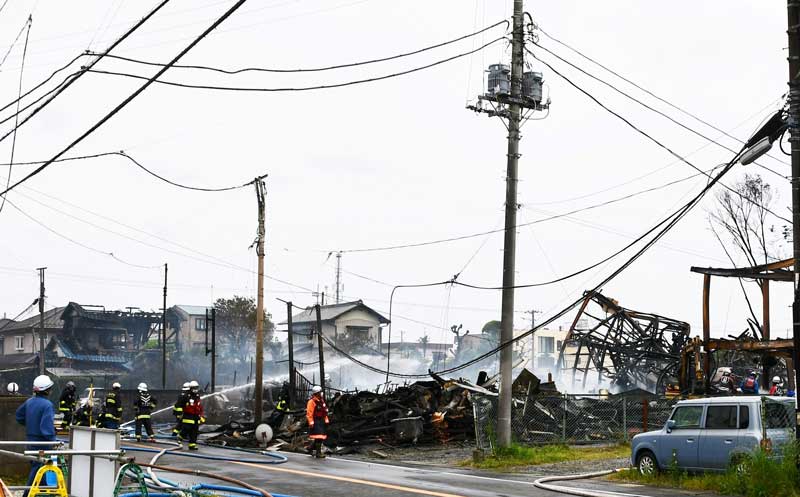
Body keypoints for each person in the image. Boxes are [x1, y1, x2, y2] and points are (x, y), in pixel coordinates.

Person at [15, 375, 57, 495]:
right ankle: (27, 494)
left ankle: (44, 493)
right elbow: (47, 429)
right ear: (47, 390)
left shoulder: (29, 402)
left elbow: (19, 416)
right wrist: (54, 440)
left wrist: (30, 423)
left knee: (40, 470)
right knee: (38, 470)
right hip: (43, 443)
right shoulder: (47, 405)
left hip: (30, 441)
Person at [305, 385, 329, 459]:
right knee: (319, 437)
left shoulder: (321, 401)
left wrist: (326, 420)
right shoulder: (311, 402)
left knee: (319, 437)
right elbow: (309, 413)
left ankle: (310, 448)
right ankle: (318, 453)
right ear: (316, 393)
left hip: (321, 421)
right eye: (320, 392)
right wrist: (311, 422)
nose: (321, 393)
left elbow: (324, 412)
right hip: (316, 421)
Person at [180, 381, 204, 451]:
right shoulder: (186, 396)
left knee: (195, 431)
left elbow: (199, 406)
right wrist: (179, 414)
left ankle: (192, 444)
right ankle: (180, 436)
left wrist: (201, 415)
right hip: (188, 415)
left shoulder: (197, 396)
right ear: (190, 388)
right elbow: (180, 405)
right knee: (187, 428)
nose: (195, 389)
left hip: (196, 416)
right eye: (194, 388)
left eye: (196, 388)